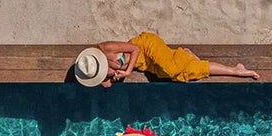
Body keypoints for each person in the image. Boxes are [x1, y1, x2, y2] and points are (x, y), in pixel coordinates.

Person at [73, 31, 260, 87]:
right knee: (181, 74)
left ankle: (184, 55)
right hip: (146, 65)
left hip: (146, 45)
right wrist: (108, 79)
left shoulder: (107, 48)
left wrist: (127, 71)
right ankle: (236, 70)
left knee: (172, 70)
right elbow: (107, 85)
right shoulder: (100, 72)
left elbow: (135, 48)